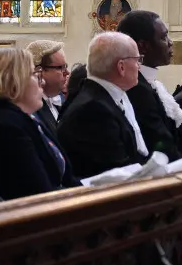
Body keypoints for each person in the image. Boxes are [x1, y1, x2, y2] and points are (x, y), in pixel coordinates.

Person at [0, 48, 79, 199]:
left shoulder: (25, 118)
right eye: (34, 74)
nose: (43, 81)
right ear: (12, 83)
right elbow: (37, 192)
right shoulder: (4, 128)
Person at [56, 32, 150, 179]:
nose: (139, 66)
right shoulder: (94, 110)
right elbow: (117, 173)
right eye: (137, 60)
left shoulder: (102, 98)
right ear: (121, 67)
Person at [118, 10, 182, 160]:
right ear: (143, 46)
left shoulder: (150, 83)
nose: (170, 42)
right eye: (163, 37)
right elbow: (158, 142)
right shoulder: (136, 87)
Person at [26, 39, 68, 137]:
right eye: (60, 67)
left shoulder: (61, 99)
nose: (67, 72)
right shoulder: (31, 107)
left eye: (65, 66)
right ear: (38, 71)